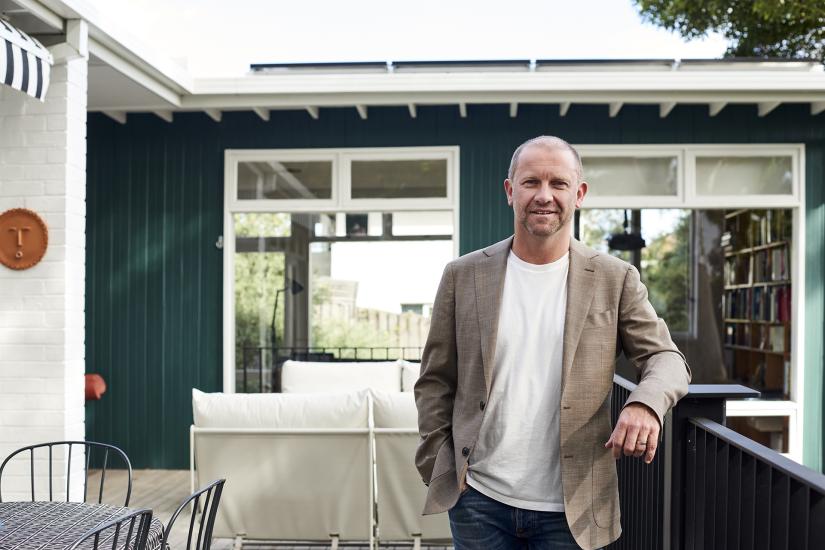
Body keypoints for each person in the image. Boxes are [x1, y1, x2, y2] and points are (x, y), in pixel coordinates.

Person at [413, 135, 691, 550]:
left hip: (573, 508)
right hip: (479, 501)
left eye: (558, 184)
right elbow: (435, 379)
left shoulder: (615, 278)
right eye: (531, 183)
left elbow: (666, 357)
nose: (544, 196)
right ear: (511, 191)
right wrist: (440, 461)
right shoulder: (463, 275)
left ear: (579, 194)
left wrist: (645, 404)